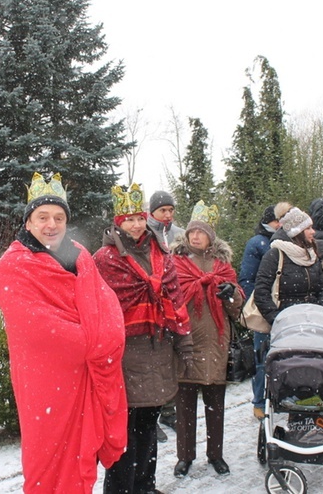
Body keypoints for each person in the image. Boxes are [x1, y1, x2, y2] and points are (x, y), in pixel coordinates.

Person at [0, 173, 127, 493]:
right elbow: (38, 327)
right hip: (45, 382)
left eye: (58, 217)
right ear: (28, 223)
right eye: (42, 217)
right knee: (47, 458)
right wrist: (95, 343)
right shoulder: (13, 265)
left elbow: (107, 306)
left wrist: (102, 340)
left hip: (86, 378)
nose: (51, 224)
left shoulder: (80, 256)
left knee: (82, 457)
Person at [94, 183, 192, 494]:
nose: (136, 225)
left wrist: (184, 344)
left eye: (139, 218)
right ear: (117, 222)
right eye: (129, 219)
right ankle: (121, 489)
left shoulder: (161, 253)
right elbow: (99, 309)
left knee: (149, 424)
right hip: (124, 354)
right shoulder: (105, 259)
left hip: (158, 348)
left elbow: (175, 299)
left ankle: (146, 485)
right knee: (124, 431)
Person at [170, 201, 245, 478]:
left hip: (216, 341)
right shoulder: (175, 264)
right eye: (192, 232)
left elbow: (236, 309)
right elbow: (169, 301)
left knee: (215, 404)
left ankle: (216, 454)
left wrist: (232, 293)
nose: (196, 236)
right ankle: (184, 456)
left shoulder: (222, 267)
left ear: (210, 236)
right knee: (185, 404)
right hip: (186, 341)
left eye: (201, 232)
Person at [237, 202, 291, 421]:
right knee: (262, 359)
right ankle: (259, 401)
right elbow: (247, 278)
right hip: (264, 309)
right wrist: (259, 305)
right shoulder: (258, 243)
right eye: (278, 220)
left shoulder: (290, 242)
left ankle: (284, 396)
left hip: (286, 309)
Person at [146, 190, 185, 437]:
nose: (168, 215)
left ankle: (170, 411)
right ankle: (152, 417)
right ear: (152, 212)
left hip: (176, 303)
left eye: (171, 210)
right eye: (163, 210)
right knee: (152, 364)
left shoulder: (179, 234)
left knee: (172, 363)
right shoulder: (145, 233)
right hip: (152, 306)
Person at [254, 207, 323, 327]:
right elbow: (261, 292)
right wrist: (277, 320)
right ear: (297, 232)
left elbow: (322, 289)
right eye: (308, 228)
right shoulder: (275, 255)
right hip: (286, 325)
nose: (313, 232)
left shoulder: (311, 255)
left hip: (313, 322)